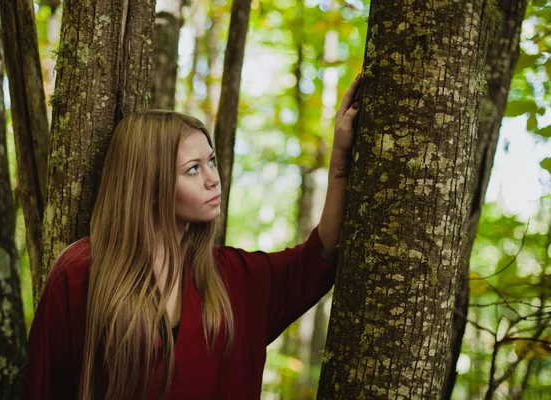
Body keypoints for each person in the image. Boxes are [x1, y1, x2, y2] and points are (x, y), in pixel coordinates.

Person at [24, 75, 362, 400]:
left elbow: (320, 254)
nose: (213, 179)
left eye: (211, 161)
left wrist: (341, 155)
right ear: (149, 185)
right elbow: (46, 387)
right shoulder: (82, 271)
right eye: (193, 169)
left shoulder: (232, 277)